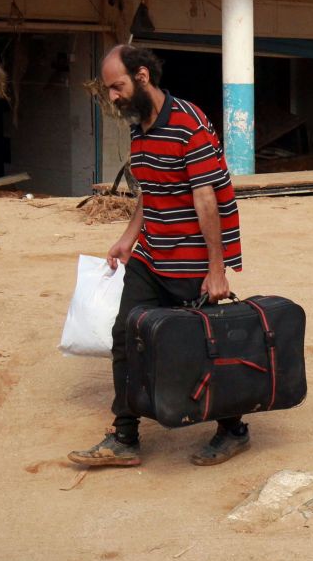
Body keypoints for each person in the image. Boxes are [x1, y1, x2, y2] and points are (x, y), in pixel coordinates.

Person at [69, 44, 250, 468]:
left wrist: (216, 270)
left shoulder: (188, 124)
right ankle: (125, 437)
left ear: (143, 77)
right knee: (125, 337)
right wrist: (128, 238)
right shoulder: (139, 126)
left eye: (117, 87)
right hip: (152, 255)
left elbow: (207, 199)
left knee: (202, 346)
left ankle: (233, 429)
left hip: (192, 257)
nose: (112, 97)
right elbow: (149, 191)